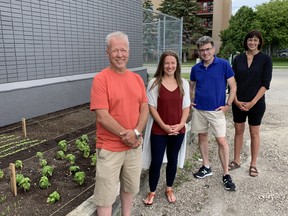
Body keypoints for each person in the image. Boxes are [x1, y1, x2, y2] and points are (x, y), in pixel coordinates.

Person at [90, 31, 149, 216]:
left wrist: (137, 133)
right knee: (105, 196)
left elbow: (145, 107)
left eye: (123, 50)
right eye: (115, 50)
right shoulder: (101, 79)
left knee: (129, 188)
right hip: (110, 148)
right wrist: (128, 135)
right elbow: (102, 116)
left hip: (133, 146)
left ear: (129, 51)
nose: (120, 54)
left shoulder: (137, 79)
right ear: (107, 52)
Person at [142, 50, 190, 205]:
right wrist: (163, 126)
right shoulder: (154, 83)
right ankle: (152, 192)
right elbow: (151, 107)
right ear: (162, 65)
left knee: (172, 160)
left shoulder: (184, 83)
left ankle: (169, 188)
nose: (170, 66)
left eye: (173, 63)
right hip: (159, 131)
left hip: (178, 130)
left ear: (177, 65)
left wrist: (181, 124)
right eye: (167, 63)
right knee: (155, 162)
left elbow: (186, 107)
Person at [190, 36, 237, 191]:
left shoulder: (223, 64)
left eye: (208, 49)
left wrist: (228, 105)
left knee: (221, 141)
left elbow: (233, 86)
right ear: (199, 52)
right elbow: (192, 86)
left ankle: (226, 174)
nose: (205, 53)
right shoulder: (195, 68)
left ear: (213, 49)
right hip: (200, 110)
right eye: (202, 50)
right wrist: (191, 100)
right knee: (202, 137)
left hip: (216, 111)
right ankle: (206, 166)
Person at [228, 30, 272, 177]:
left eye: (255, 40)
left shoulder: (266, 59)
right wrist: (235, 100)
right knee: (238, 131)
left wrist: (253, 102)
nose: (252, 42)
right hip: (238, 102)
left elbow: (265, 84)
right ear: (246, 41)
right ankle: (236, 160)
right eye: (250, 40)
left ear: (259, 42)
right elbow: (232, 81)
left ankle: (253, 164)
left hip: (256, 103)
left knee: (254, 133)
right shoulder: (238, 59)